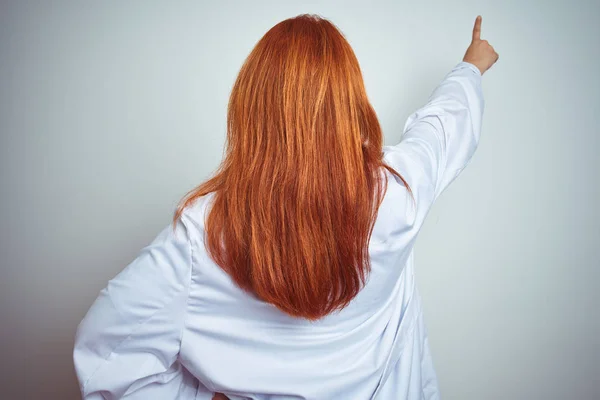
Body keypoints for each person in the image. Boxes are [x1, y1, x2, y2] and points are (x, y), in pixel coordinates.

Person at [73, 13, 498, 400]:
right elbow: (444, 128)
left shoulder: (203, 235)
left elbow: (107, 353)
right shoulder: (398, 191)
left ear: (250, 109)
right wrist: (470, 68)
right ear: (349, 105)